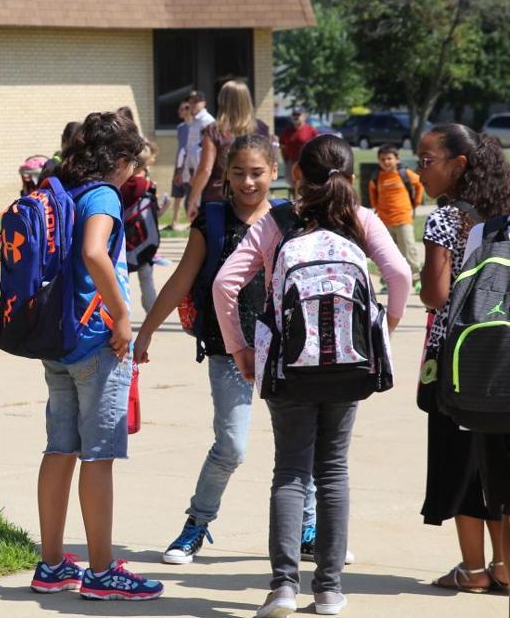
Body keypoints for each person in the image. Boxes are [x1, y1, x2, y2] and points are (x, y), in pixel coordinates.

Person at [214, 135, 410, 617]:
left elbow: (225, 283)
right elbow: (401, 276)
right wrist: (382, 331)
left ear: (297, 175)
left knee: (290, 471)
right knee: (334, 470)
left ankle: (283, 587)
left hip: (288, 365)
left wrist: (240, 347)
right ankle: (328, 590)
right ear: (351, 175)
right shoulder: (361, 220)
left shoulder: (276, 221)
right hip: (349, 364)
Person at [137, 134, 317, 565]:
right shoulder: (213, 220)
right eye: (238, 173)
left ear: (274, 172)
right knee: (231, 446)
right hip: (228, 348)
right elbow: (181, 278)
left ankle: (308, 528)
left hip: (285, 349)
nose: (248, 182)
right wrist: (146, 331)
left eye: (257, 173)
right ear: (226, 175)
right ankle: (196, 524)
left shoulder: (291, 219)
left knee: (299, 443)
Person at [25, 112, 163, 601]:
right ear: (120, 160)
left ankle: (52, 564)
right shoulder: (103, 194)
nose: (134, 172)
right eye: (134, 162)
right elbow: (93, 251)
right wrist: (122, 314)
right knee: (98, 456)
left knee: (59, 448)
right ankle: (102, 572)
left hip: (59, 339)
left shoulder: (62, 187)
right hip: (96, 342)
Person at [415, 123, 510, 593]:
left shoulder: (445, 219)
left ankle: (473, 570)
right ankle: (505, 566)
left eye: (427, 161)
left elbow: (435, 295)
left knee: (459, 461)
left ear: (459, 164)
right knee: (500, 461)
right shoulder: (503, 214)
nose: (420, 171)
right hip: (502, 357)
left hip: (453, 358)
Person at [459, 214, 510, 601]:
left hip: (491, 378)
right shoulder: (485, 230)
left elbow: (459, 302)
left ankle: (503, 568)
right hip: (494, 382)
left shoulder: (487, 232)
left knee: (501, 484)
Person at [187, 81, 268, 220]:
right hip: (252, 195)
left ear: (222, 101)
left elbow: (205, 169)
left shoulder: (214, 130)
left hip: (218, 196)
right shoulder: (261, 129)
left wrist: (192, 200)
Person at [368, 143, 424, 285]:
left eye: (389, 158)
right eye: (382, 159)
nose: (386, 162)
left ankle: (416, 279)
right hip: (384, 221)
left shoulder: (405, 174)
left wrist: (416, 202)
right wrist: (377, 207)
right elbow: (372, 192)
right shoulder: (376, 177)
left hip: (403, 219)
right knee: (387, 252)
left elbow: (419, 184)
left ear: (397, 159)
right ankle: (387, 281)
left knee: (408, 249)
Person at [119, 141, 159, 314]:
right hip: (143, 239)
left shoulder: (121, 184)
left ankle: (122, 314)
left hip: (124, 238)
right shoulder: (148, 186)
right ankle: (152, 313)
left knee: (122, 279)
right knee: (146, 278)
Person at [167, 101, 194, 230]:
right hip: (179, 163)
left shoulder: (195, 126)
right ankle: (174, 221)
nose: (179, 112)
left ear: (188, 110)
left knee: (190, 194)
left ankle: (192, 221)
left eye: (182, 109)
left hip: (189, 164)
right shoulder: (180, 127)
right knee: (177, 193)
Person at [279, 107, 316, 173]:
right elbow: (282, 145)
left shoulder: (311, 130)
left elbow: (317, 147)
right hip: (291, 163)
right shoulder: (287, 131)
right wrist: (286, 160)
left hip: (307, 163)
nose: (296, 117)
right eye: (294, 115)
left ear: (304, 116)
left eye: (298, 115)